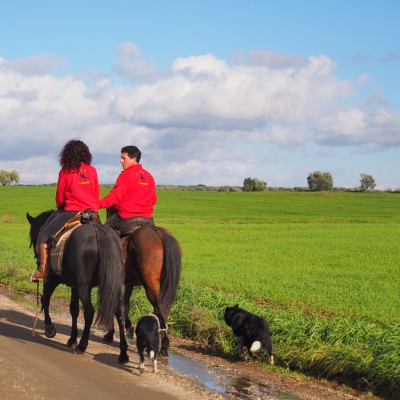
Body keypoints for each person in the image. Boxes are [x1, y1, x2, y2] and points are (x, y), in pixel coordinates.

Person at [30, 139, 100, 282]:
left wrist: (61, 205)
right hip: (92, 213)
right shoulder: (92, 170)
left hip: (72, 212)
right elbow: (96, 193)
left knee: (43, 233)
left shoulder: (66, 171)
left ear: (67, 154)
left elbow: (60, 197)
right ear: (86, 154)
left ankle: (43, 271)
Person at [99, 146, 157, 233]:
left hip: (125, 218)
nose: (121, 161)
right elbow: (153, 199)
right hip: (148, 219)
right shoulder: (149, 176)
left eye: (123, 158)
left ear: (133, 159)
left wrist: (96, 205)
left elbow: (114, 197)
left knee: (101, 233)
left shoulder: (125, 175)